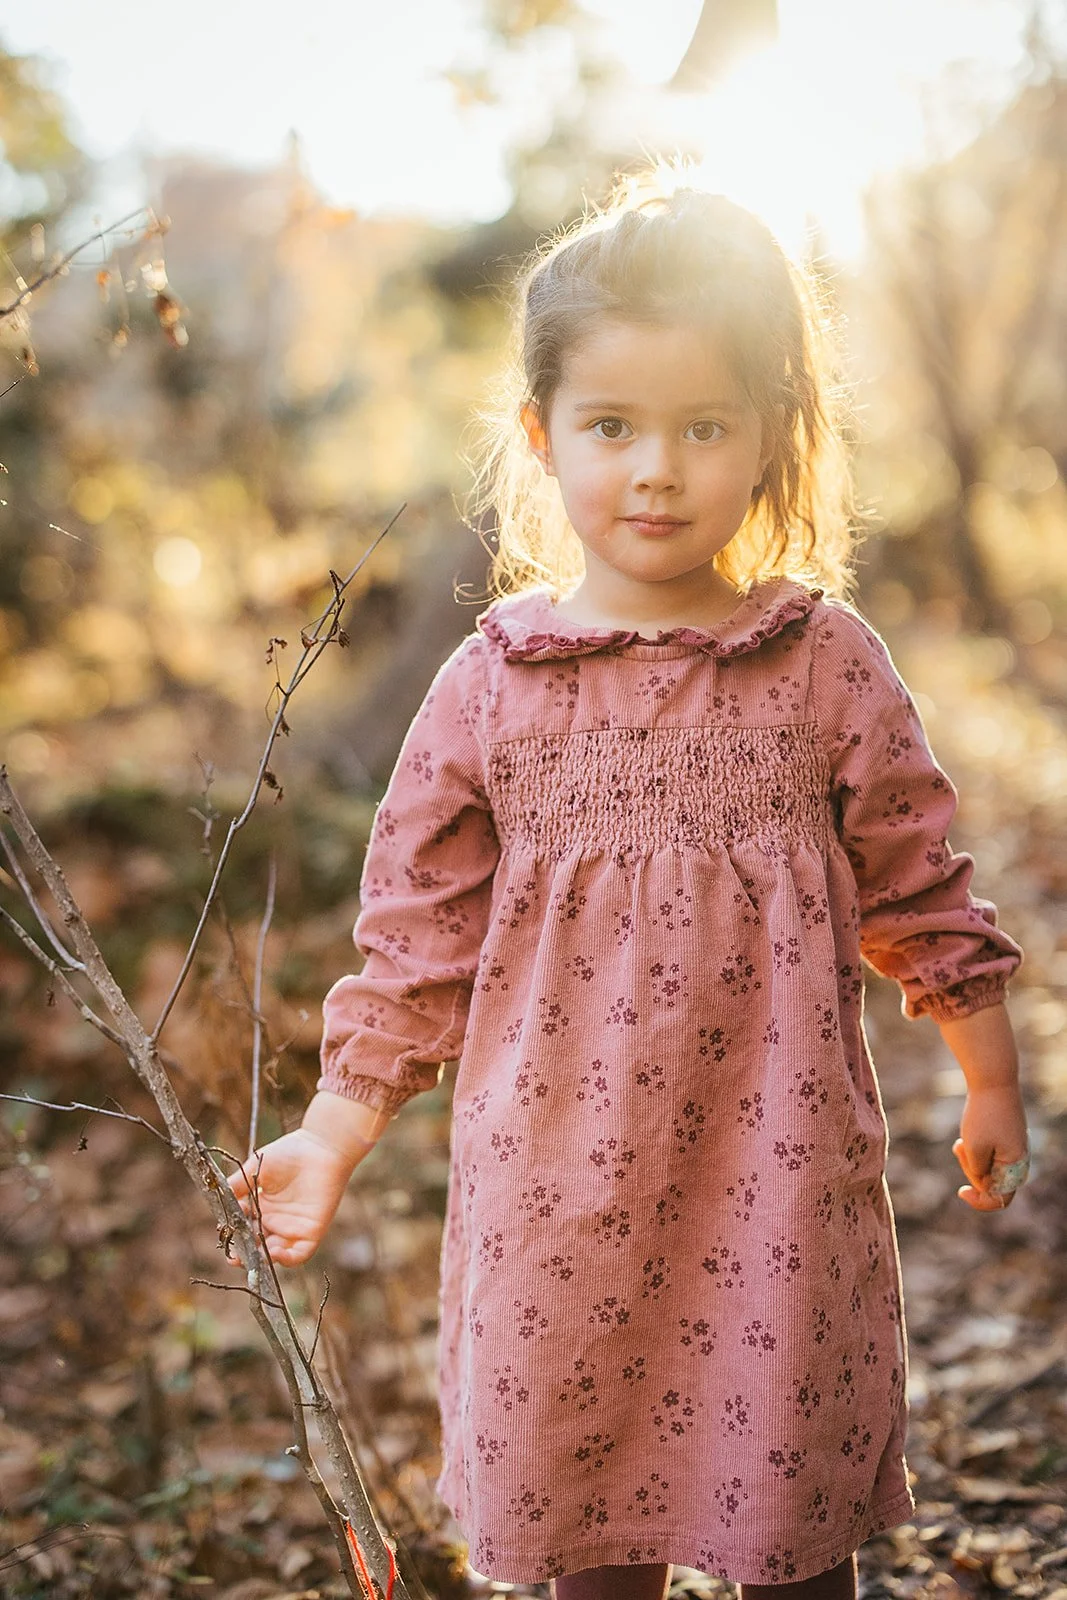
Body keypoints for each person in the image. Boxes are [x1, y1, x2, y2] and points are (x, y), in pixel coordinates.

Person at [228, 169, 1031, 1600]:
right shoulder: (491, 686)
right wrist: (333, 1136)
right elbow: (416, 939)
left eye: (701, 427)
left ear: (770, 440)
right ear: (541, 438)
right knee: (587, 1515)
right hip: (556, 1190)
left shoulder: (818, 662)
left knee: (788, 1523)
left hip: (773, 1184)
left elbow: (916, 874)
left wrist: (986, 1073)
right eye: (612, 427)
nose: (654, 469)